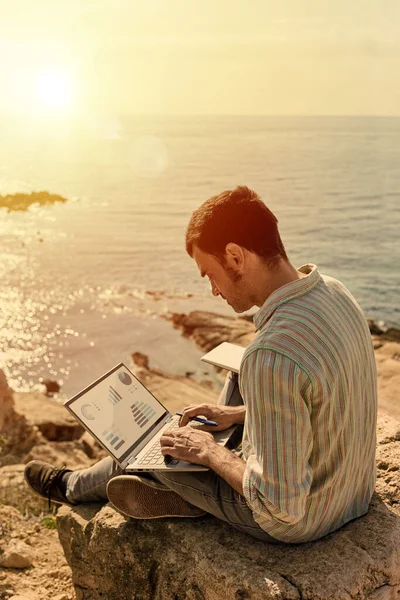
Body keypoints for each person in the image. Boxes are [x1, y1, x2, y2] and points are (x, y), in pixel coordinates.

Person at [24, 185, 377, 544]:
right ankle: (190, 492)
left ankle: (69, 486)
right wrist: (239, 414)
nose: (213, 290)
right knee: (230, 386)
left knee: (150, 444)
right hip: (353, 491)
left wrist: (209, 452)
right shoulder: (333, 290)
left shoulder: (271, 356)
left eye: (209, 274)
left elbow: (280, 505)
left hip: (304, 518)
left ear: (235, 257)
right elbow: (322, 397)